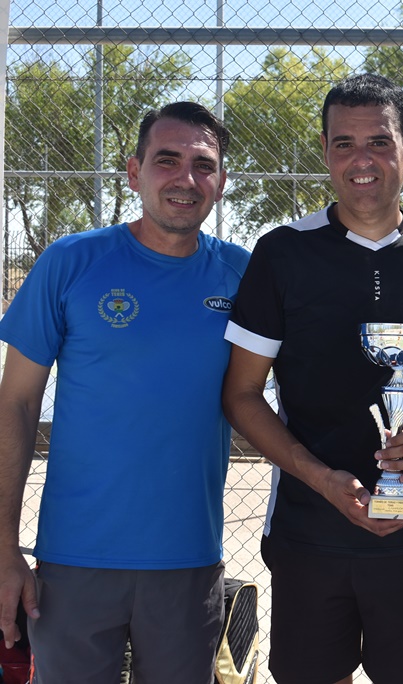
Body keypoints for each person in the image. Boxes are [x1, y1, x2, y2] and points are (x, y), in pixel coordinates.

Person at [220, 73, 403, 684]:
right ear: (324, 151)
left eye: (379, 141)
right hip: (309, 532)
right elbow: (241, 395)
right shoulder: (281, 252)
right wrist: (320, 478)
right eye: (343, 144)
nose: (361, 160)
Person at [0, 102, 249, 683]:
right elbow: (14, 404)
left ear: (221, 183)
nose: (185, 179)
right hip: (72, 561)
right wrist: (3, 547)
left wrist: (401, 236)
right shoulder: (71, 262)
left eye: (203, 165)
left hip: (189, 563)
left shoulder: (245, 274)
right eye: (167, 160)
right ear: (134, 172)